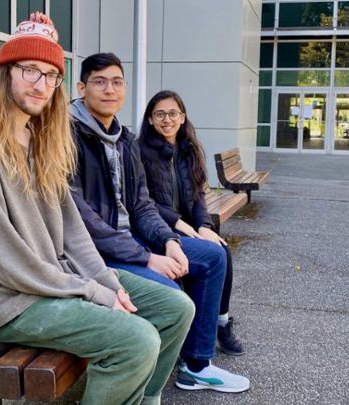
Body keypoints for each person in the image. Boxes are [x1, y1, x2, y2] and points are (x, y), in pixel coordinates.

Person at [0, 14, 194, 405]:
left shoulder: (40, 140)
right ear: (6, 72)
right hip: (11, 302)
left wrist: (108, 285)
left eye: (51, 75)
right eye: (30, 71)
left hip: (54, 285)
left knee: (176, 308)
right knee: (136, 339)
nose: (41, 85)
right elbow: (1, 259)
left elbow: (74, 235)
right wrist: (90, 291)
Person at [69, 52, 250, 393]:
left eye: (117, 82)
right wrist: (149, 257)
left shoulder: (123, 140)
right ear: (81, 87)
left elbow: (142, 205)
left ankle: (196, 364)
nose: (110, 89)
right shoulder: (68, 136)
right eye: (100, 81)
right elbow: (81, 220)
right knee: (172, 297)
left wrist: (168, 241)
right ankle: (141, 385)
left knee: (213, 256)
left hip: (134, 241)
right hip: (94, 254)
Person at [138, 90, 244, 356]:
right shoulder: (139, 152)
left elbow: (198, 197)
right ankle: (195, 339)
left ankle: (221, 322)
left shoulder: (189, 150)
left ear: (182, 117)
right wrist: (179, 224)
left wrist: (204, 227)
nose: (167, 119)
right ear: (150, 119)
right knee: (211, 257)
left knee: (221, 249)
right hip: (157, 229)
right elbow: (142, 202)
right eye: (159, 114)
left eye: (173, 113)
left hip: (186, 226)